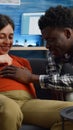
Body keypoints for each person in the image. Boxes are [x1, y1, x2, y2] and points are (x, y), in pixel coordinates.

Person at [0, 7, 73, 130]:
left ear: (67, 33)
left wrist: (31, 78)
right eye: (2, 36)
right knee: (9, 110)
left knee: (69, 114)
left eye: (11, 37)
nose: (7, 42)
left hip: (27, 103)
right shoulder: (54, 52)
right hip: (4, 100)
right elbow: (54, 73)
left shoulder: (21, 61)